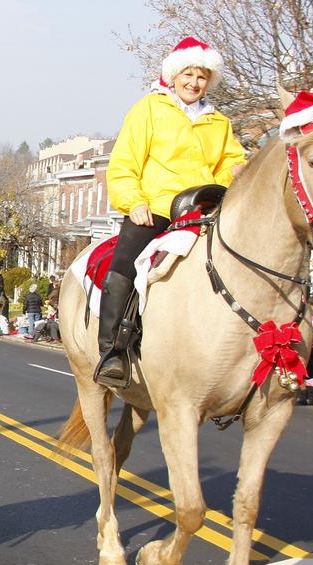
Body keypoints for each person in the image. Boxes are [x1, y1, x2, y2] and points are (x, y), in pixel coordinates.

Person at [95, 37, 246, 385]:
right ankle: (112, 352)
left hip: (203, 210)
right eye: (188, 74)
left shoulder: (219, 122)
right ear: (174, 75)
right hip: (156, 209)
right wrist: (134, 203)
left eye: (202, 77)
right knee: (123, 266)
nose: (194, 83)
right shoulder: (149, 109)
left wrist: (238, 172)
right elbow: (124, 163)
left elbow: (230, 161)